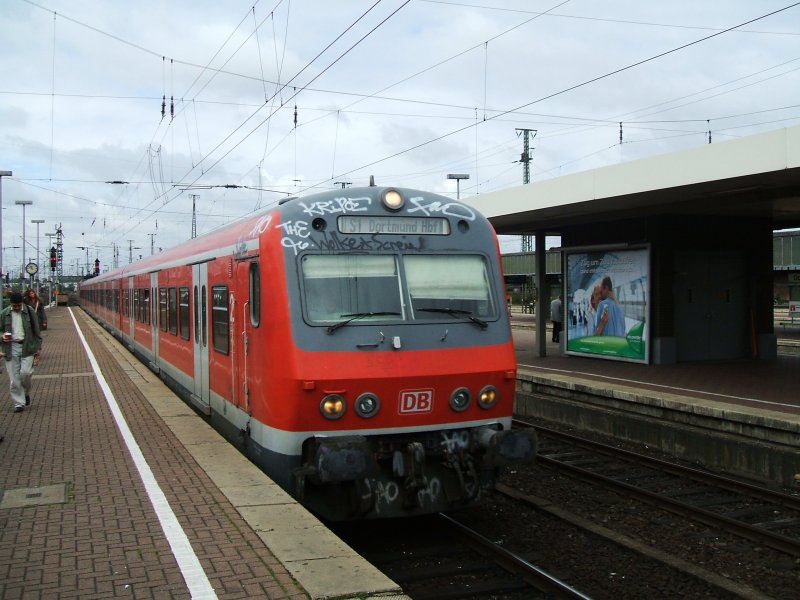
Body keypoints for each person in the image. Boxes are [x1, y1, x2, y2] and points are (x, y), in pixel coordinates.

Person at [1, 290, 43, 413]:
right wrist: (2, 337)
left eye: (19, 305)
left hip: (27, 346)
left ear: (22, 303)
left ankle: (25, 393)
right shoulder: (4, 314)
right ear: (10, 304)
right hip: (10, 347)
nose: (17, 307)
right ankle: (19, 403)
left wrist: (38, 347)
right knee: (14, 378)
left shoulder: (29, 312)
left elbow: (36, 331)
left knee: (26, 373)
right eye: (15, 306)